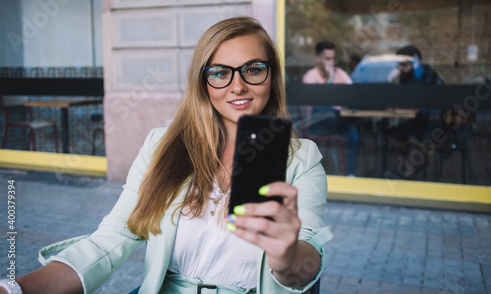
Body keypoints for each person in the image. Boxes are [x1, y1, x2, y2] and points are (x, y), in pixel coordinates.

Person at [0, 17, 333, 294]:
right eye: (220, 73)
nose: (238, 86)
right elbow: (112, 239)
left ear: (271, 76)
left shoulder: (301, 160)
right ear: (203, 83)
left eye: (254, 69)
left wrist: (288, 257)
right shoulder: (162, 146)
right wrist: (14, 289)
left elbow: (305, 266)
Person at [302, 41, 360, 177]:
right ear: (318, 59)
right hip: (317, 123)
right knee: (327, 110)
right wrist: (330, 80)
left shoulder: (339, 73)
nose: (331, 62)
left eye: (333, 59)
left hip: (339, 121)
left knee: (354, 133)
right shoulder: (310, 76)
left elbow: (353, 92)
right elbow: (316, 102)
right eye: (328, 59)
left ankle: (350, 173)